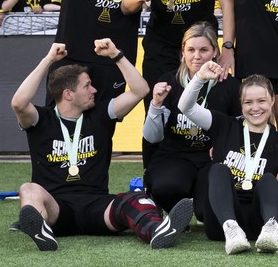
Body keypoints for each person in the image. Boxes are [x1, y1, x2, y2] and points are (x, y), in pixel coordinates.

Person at [12, 39, 192, 251]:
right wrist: (48, 59)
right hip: (57, 208)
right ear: (68, 94)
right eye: (87, 85)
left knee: (133, 199)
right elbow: (18, 103)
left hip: (97, 206)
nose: (94, 90)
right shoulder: (40, 119)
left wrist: (116, 54)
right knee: (29, 190)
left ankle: (157, 230)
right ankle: (41, 230)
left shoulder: (100, 114)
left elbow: (140, 90)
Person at [177, 59, 278, 253]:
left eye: (261, 101)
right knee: (217, 169)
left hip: (258, 223)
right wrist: (200, 78)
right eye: (248, 102)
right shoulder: (224, 125)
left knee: (269, 179)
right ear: (241, 104)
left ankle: (272, 229)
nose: (255, 108)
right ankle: (232, 229)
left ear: (272, 101)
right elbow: (186, 108)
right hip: (222, 225)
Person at [142, 22, 237, 215]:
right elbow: (151, 138)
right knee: (167, 187)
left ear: (214, 53)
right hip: (175, 155)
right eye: (191, 49)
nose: (197, 56)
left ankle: (200, 204)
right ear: (182, 53)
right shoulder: (168, 82)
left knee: (205, 211)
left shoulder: (229, 85)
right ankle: (173, 206)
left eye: (204, 50)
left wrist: (225, 146)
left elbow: (237, 129)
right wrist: (156, 105)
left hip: (211, 159)